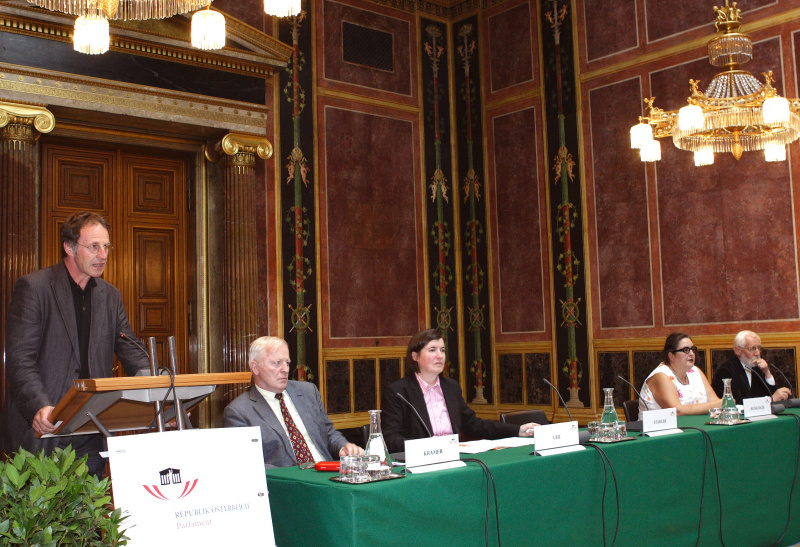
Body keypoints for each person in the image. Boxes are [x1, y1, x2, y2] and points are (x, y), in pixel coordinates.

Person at [1, 211, 150, 476]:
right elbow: (19, 359)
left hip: (91, 428)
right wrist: (39, 406)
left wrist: (158, 390)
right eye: (94, 246)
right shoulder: (35, 288)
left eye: (106, 246)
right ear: (69, 247)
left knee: (89, 512)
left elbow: (130, 349)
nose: (103, 255)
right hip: (44, 430)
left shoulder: (110, 296)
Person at [381, 329, 538, 454]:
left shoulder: (451, 387)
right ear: (415, 356)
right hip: (422, 462)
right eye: (432, 350)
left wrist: (517, 429)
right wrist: (425, 445)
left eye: (442, 350)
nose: (439, 356)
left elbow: (473, 424)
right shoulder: (399, 392)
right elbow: (391, 439)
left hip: (455, 457)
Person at [224, 336, 363, 468]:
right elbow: (250, 464)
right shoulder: (239, 412)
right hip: (288, 485)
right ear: (255, 368)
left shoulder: (308, 392)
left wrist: (343, 447)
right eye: (277, 363)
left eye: (287, 362)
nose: (285, 369)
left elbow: (328, 433)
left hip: (326, 474)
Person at [638, 333, 721, 415]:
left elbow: (716, 402)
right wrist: (717, 405)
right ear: (671, 356)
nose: (692, 353)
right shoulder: (661, 376)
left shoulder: (695, 371)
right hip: (660, 427)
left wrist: (720, 404)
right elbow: (677, 411)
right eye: (686, 350)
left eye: (692, 349)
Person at [711, 330, 792, 404]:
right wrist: (771, 399)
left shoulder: (757, 367)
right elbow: (737, 403)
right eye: (752, 349)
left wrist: (767, 373)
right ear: (738, 350)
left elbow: (773, 395)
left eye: (759, 348)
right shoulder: (725, 370)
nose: (757, 353)